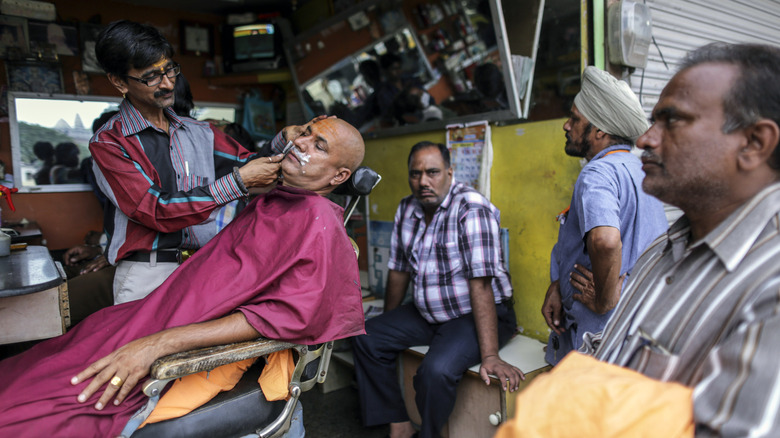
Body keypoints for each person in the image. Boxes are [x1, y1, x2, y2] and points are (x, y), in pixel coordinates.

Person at [0, 116, 367, 436]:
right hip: (150, 313)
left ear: (339, 175)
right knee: (35, 367)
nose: (301, 143)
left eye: (318, 145)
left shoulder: (318, 224)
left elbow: (274, 318)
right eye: (303, 132)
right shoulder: (275, 197)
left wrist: (157, 344)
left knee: (34, 409)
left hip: (170, 329)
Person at [497, 42, 780, 437]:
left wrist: (604, 299)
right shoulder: (661, 254)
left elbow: (606, 241)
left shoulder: (770, 292)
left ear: (753, 143)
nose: (645, 139)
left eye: (673, 120)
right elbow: (608, 371)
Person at [90, 20, 280, 304]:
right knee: (151, 348)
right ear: (118, 81)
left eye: (169, 70)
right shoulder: (110, 143)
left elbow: (254, 162)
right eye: (151, 77)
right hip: (148, 274)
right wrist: (238, 182)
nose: (167, 83)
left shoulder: (201, 132)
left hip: (205, 266)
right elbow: (155, 211)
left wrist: (286, 142)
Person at [353, 141, 521, 438]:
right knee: (366, 337)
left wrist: (490, 355)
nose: (423, 182)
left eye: (432, 172)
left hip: (476, 314)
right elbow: (399, 270)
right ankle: (399, 423)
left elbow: (480, 284)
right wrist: (389, 323)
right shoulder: (407, 207)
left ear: (449, 172)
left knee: (436, 371)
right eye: (415, 174)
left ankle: (428, 434)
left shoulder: (471, 207)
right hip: (429, 313)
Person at [541, 66, 667, 365]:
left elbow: (606, 241)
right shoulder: (639, 170)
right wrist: (560, 285)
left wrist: (604, 300)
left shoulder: (597, 173)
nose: (566, 126)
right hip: (635, 328)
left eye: (574, 119)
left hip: (599, 338)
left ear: (599, 131)